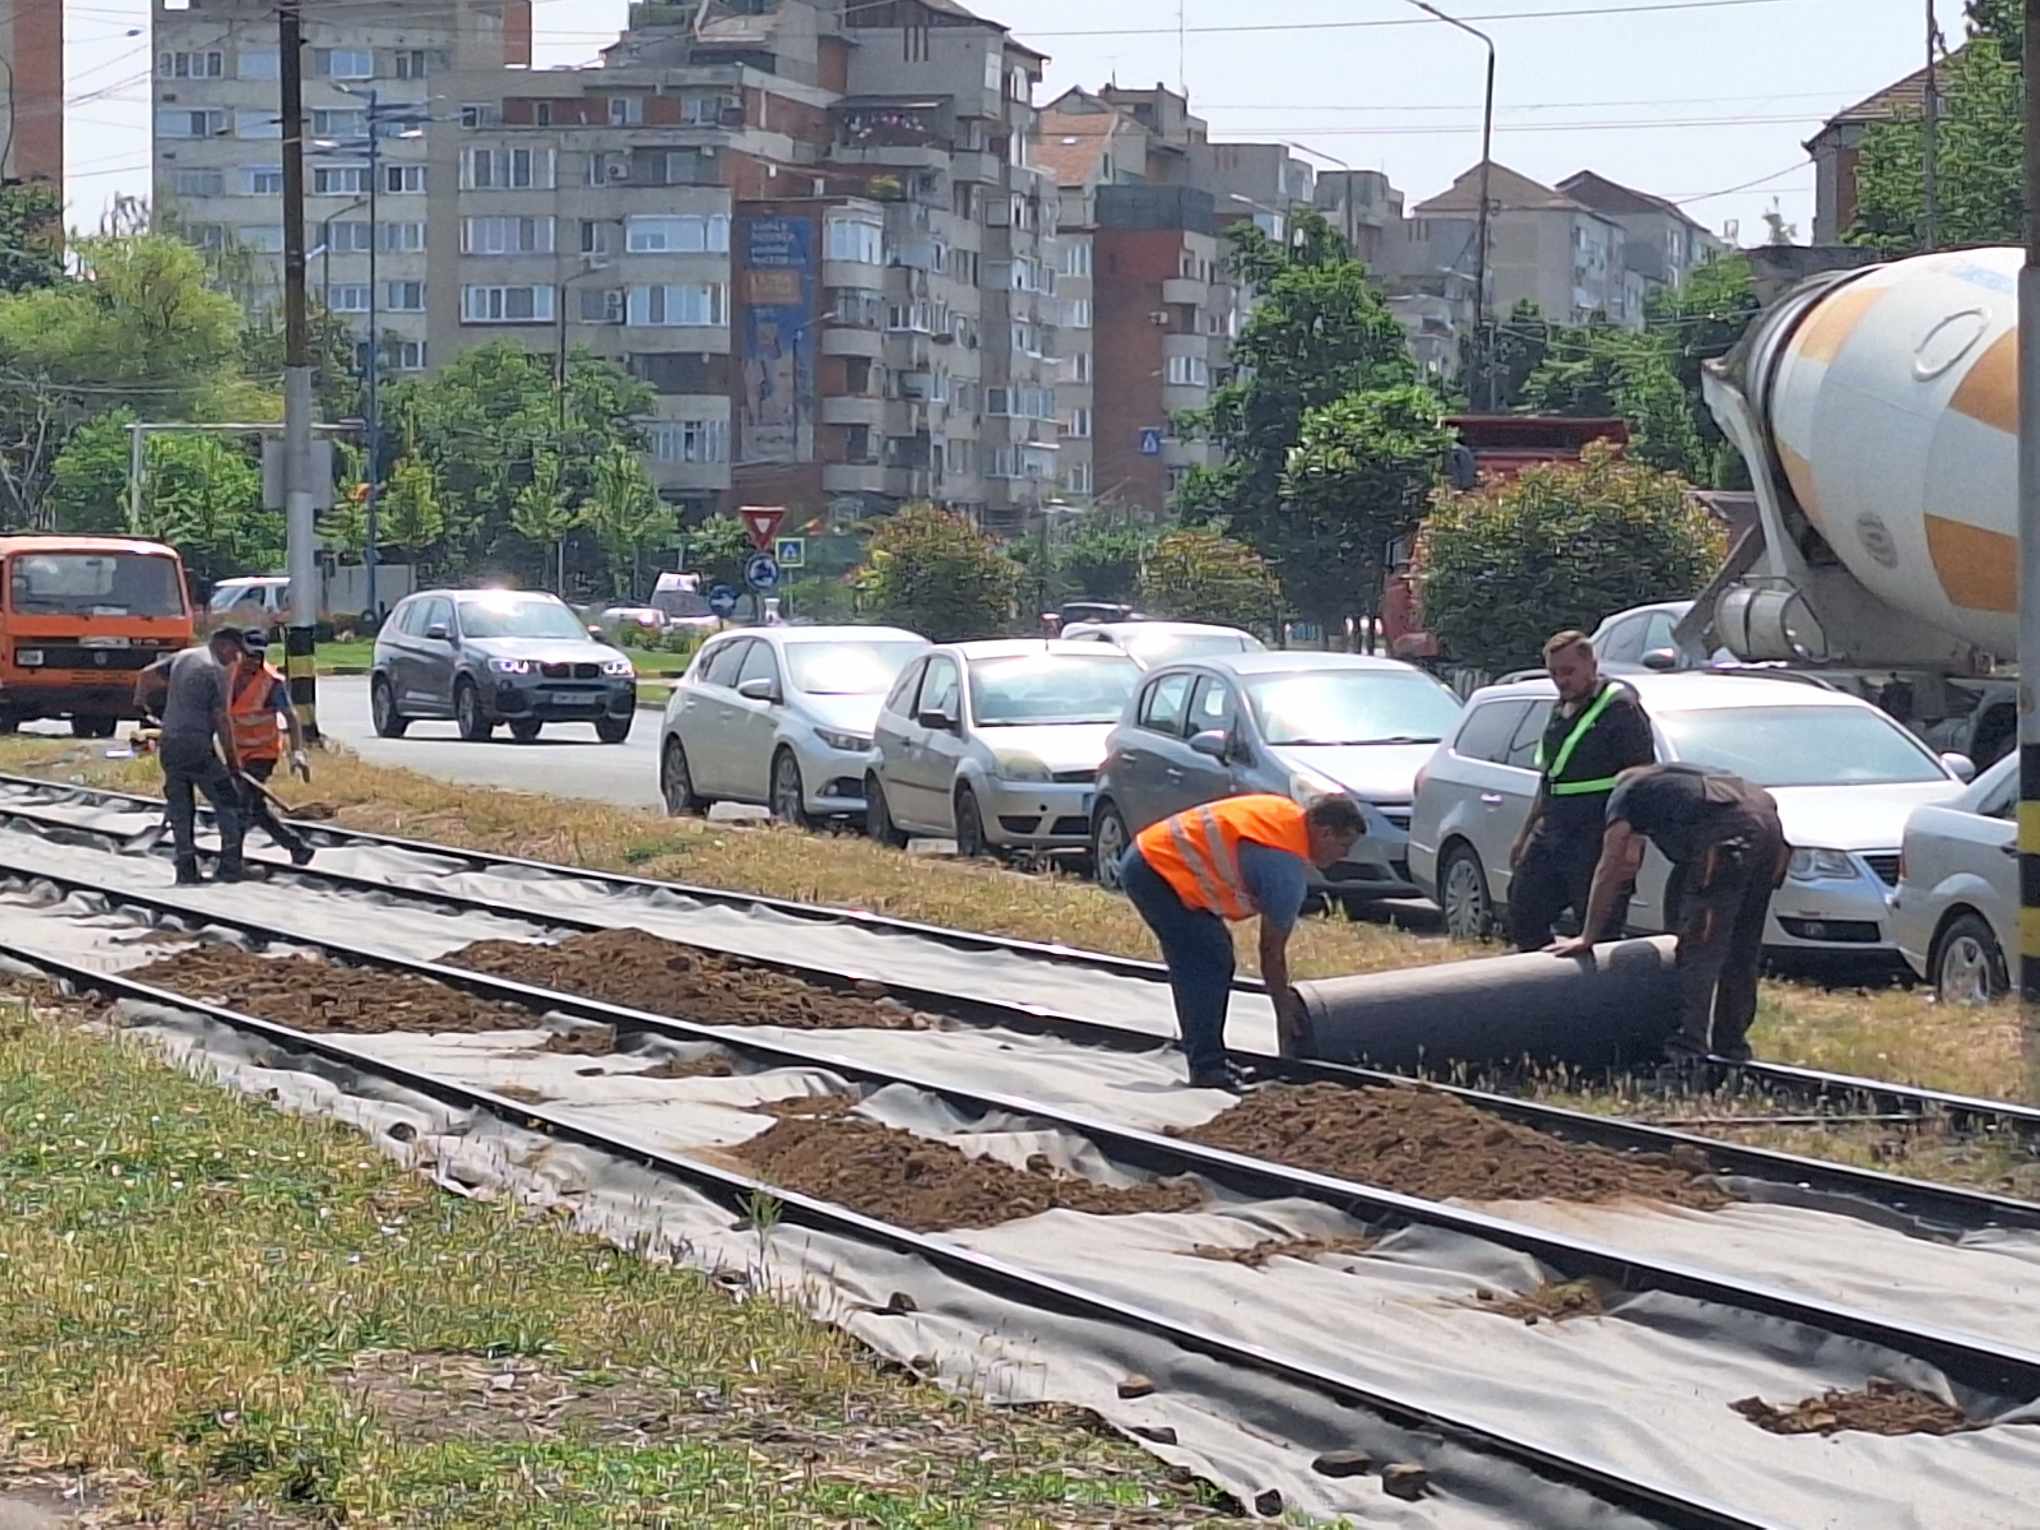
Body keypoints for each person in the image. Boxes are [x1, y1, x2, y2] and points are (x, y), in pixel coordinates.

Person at [1548, 763, 1790, 1066]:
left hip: (1728, 838)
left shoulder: (1625, 794)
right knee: (1742, 947)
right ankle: (1732, 1046)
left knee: (1699, 947)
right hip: (1771, 834)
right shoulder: (1682, 779)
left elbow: (1610, 865)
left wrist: (1588, 935)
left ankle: (1686, 1052)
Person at [1121, 794, 1367, 1090]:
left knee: (1212, 954)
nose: (1344, 856)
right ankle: (1207, 1068)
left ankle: (1212, 1059)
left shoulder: (1284, 816)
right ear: (1325, 832)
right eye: (1343, 846)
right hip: (1155, 871)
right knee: (1206, 960)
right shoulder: (1283, 870)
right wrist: (1283, 1009)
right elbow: (1270, 952)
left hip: (1152, 854)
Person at [1509, 630, 1656, 950]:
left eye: (1569, 672)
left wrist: (1634, 844)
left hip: (1597, 834)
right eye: (1554, 674)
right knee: (1523, 913)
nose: (1562, 681)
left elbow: (1643, 779)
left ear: (1592, 665)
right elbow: (1550, 777)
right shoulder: (1560, 708)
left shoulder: (1620, 708)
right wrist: (1525, 833)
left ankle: (1597, 997)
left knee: (1598, 930)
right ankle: (1544, 990)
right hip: (1553, 829)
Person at [134, 627, 246, 886]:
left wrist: (142, 704)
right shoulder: (214, 671)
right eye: (237, 652)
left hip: (170, 745)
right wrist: (233, 762)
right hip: (196, 747)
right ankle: (230, 866)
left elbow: (145, 676)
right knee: (228, 800)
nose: (237, 659)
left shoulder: (184, 657)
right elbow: (221, 719)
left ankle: (185, 867)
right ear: (225, 646)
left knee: (181, 807)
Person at [227, 627, 315, 867]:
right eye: (248, 655)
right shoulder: (225, 674)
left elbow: (291, 716)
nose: (252, 661)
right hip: (234, 752)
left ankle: (231, 860)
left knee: (241, 805)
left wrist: (297, 752)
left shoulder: (271, 683)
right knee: (255, 807)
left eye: (258, 656)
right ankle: (297, 847)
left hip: (262, 753)